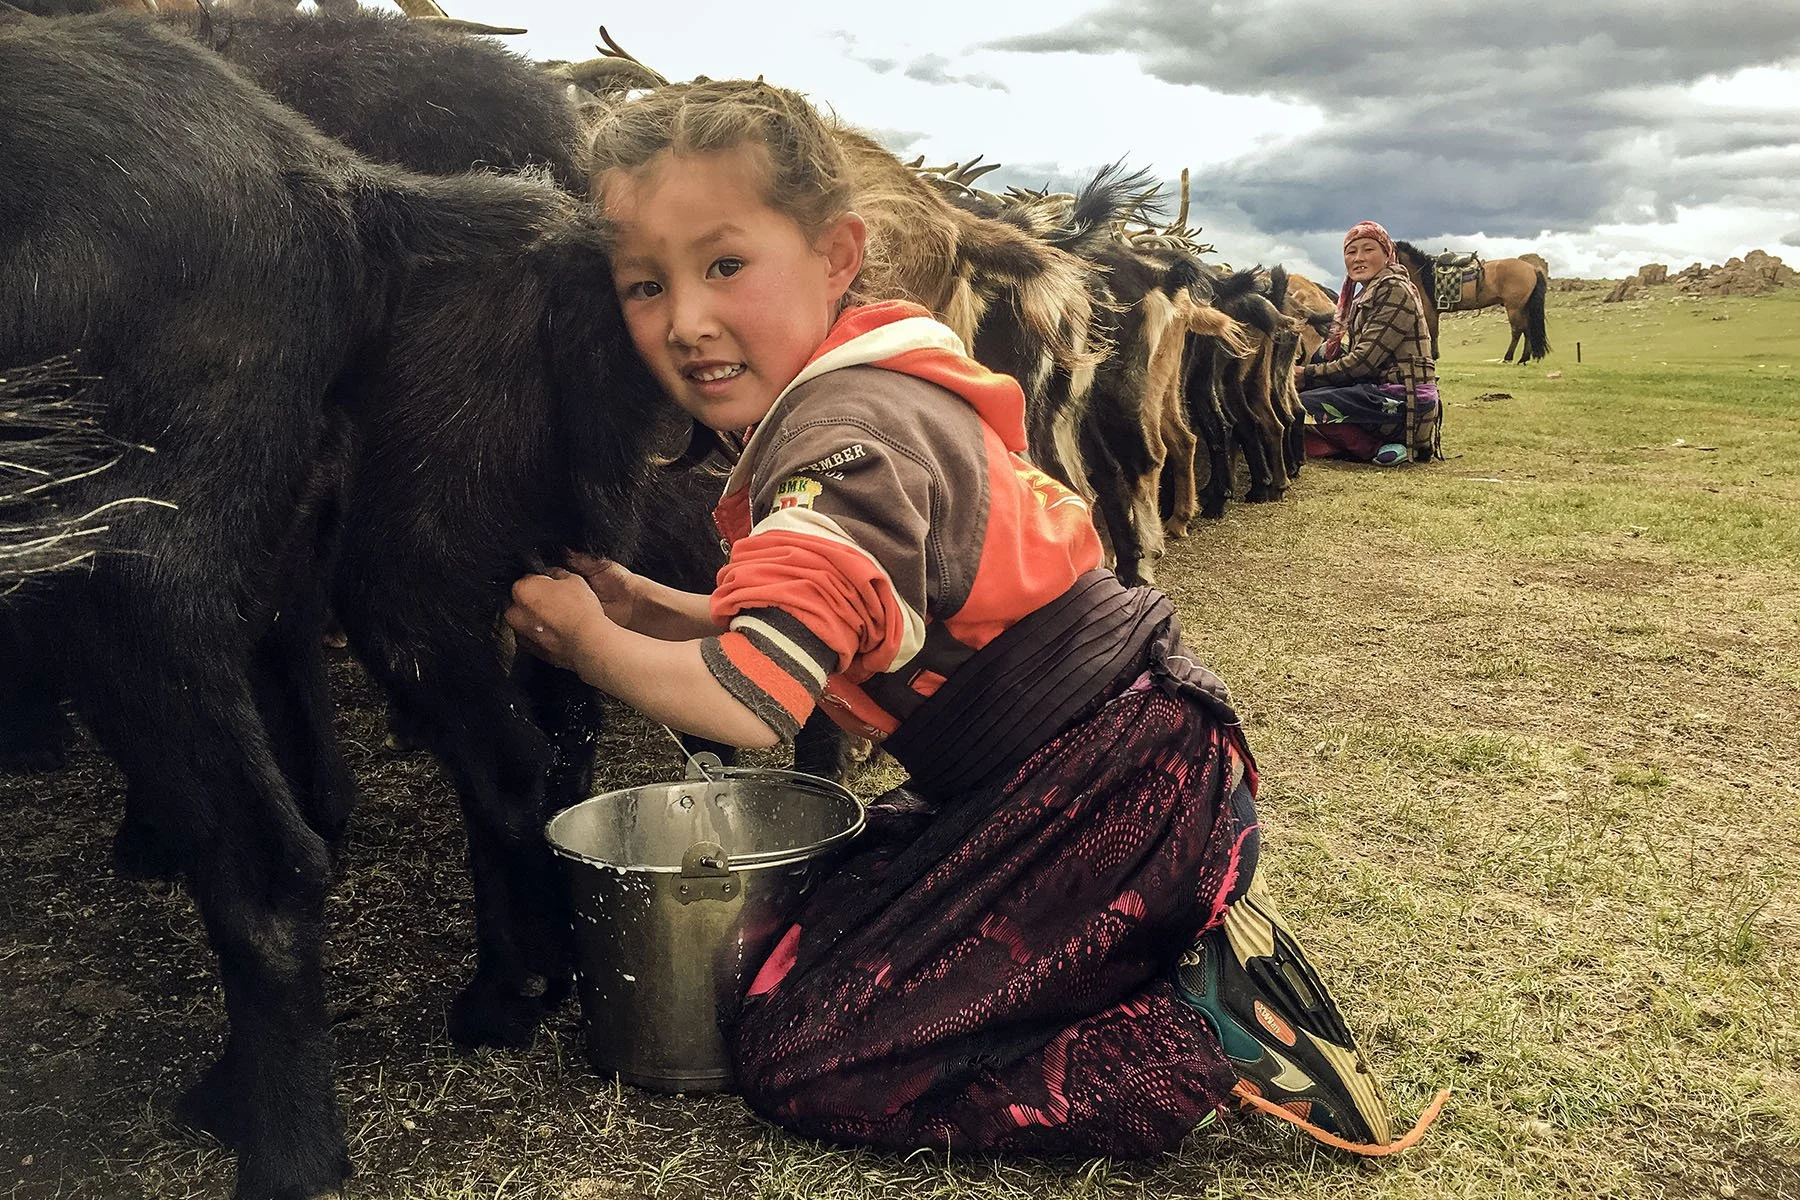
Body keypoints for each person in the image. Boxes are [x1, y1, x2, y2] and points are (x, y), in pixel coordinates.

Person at [506, 81, 1445, 1159]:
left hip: (1106, 792)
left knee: (804, 1054)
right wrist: (644, 606)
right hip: (1111, 761)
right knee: (827, 905)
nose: (686, 319)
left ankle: (1198, 1031)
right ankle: (1150, 931)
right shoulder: (869, 392)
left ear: (837, 256)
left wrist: (590, 642)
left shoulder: (838, 443)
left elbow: (756, 698)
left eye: (725, 265)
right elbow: (807, 633)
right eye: (643, 283)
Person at [1297, 220, 1440, 465]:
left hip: (1403, 401)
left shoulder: (1394, 291)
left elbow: (1362, 362)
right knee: (1300, 403)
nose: (1358, 258)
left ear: (1388, 254)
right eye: (1351, 252)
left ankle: (1376, 447)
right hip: (1379, 392)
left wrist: (1305, 374)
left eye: (1368, 249)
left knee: (1296, 405)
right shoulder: (1368, 293)